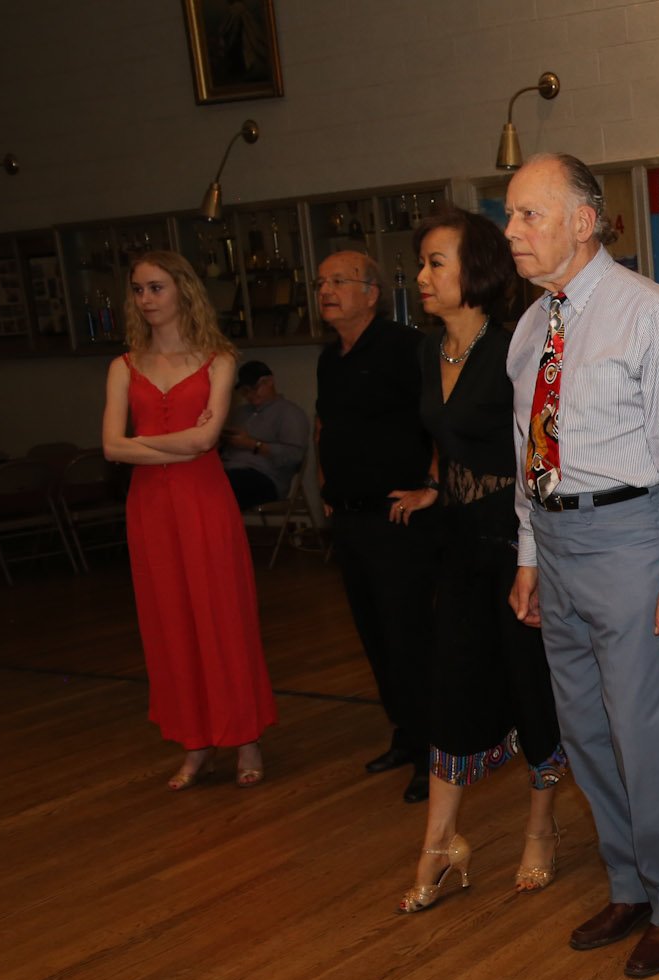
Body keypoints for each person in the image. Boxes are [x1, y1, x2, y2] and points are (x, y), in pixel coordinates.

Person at [503, 153, 659, 977]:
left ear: (583, 221)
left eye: (528, 214)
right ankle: (629, 882)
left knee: (639, 732)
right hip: (557, 543)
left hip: (632, 538)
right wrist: (530, 555)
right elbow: (530, 454)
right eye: (510, 215)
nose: (512, 231)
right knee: (584, 731)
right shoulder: (533, 327)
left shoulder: (648, 314)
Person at [392, 209, 574, 913]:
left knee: (532, 687)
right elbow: (449, 441)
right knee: (454, 683)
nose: (422, 276)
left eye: (436, 262)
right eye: (422, 263)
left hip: (521, 542)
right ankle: (439, 844)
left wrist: (538, 550)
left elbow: (542, 447)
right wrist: (436, 487)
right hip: (460, 543)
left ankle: (541, 826)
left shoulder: (513, 346)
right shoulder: (425, 352)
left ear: (477, 271)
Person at [100, 250, 274, 789]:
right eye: (138, 289)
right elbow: (110, 447)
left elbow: (206, 440)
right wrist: (177, 443)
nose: (145, 299)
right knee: (169, 621)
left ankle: (245, 738)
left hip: (204, 502)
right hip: (150, 508)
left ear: (182, 290)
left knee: (223, 616)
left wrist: (144, 443)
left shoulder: (219, 360)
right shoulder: (123, 367)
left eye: (156, 287)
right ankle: (194, 743)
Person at [313, 249, 438, 804]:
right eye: (321, 283)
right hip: (349, 516)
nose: (326, 291)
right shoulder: (329, 358)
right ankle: (406, 734)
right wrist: (325, 485)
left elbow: (439, 420)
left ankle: (434, 751)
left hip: (397, 517)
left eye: (339, 281)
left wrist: (432, 485)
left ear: (371, 292)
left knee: (409, 635)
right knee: (374, 634)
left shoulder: (405, 347)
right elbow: (326, 423)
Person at [219, 360, 309, 508]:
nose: (250, 395)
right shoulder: (240, 413)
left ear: (270, 381)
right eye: (245, 391)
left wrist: (252, 444)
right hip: (229, 470)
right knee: (197, 481)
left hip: (265, 477)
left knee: (220, 487)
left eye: (254, 388)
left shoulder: (290, 413)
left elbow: (294, 457)